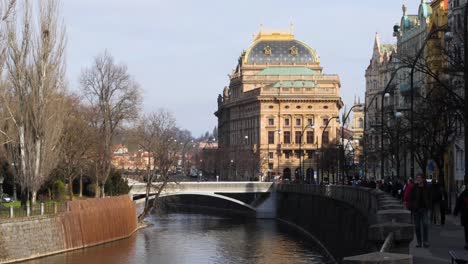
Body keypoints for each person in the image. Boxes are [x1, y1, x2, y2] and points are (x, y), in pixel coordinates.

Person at [410, 174, 431, 248]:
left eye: (419, 178)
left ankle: (425, 241)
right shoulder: (414, 188)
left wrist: (428, 204)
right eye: (417, 178)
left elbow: (430, 196)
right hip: (416, 209)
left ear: (423, 179)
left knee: (425, 224)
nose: (418, 180)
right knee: (417, 227)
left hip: (424, 209)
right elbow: (411, 197)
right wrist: (413, 206)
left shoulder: (427, 188)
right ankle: (419, 242)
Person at [453, 186, 468, 250]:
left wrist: (455, 212)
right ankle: (467, 243)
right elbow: (459, 203)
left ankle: (467, 243)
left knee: (467, 230)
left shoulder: (464, 193)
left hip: (465, 215)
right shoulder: (464, 193)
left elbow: (458, 203)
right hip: (465, 215)